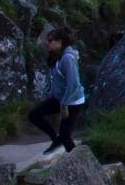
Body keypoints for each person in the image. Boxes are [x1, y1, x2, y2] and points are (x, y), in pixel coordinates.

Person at [29, 27, 85, 155]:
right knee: (34, 115)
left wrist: (64, 105)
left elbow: (73, 84)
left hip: (72, 102)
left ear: (60, 42)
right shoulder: (58, 56)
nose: (48, 43)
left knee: (66, 136)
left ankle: (82, 163)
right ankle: (56, 139)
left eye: (50, 40)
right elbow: (58, 81)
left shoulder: (67, 59)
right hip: (61, 99)